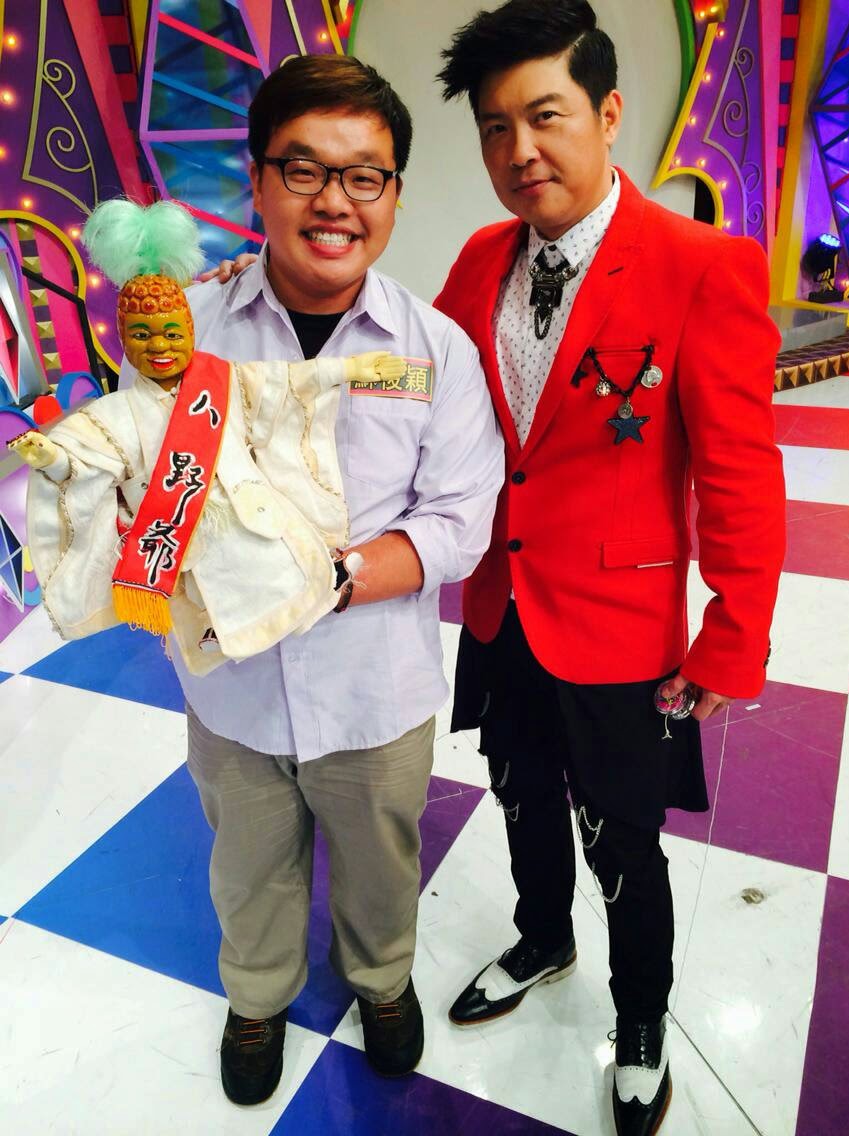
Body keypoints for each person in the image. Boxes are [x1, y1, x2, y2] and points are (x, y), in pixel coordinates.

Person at [121, 55, 503, 1106]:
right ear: (258, 181)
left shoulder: (435, 350)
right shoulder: (189, 332)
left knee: (382, 863)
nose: (335, 200)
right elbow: (142, 480)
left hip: (376, 690)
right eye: (304, 169)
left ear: (393, 195)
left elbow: (460, 519)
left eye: (363, 175)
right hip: (232, 689)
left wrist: (323, 578)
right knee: (247, 862)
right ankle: (257, 996)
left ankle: (382, 981)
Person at [434, 3, 785, 1134]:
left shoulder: (701, 266)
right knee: (519, 793)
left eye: (545, 116)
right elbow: (423, 402)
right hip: (502, 605)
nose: (519, 149)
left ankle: (641, 1018)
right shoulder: (478, 260)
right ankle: (543, 936)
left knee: (624, 836)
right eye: (496, 127)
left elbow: (740, 473)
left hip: (622, 622)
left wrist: (731, 635)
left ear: (609, 112)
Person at [11, 199, 406, 673]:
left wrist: (347, 368)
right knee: (212, 593)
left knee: (285, 565)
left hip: (248, 507)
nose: (159, 346)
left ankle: (326, 582)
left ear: (190, 331)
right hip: (183, 527)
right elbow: (88, 456)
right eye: (143, 335)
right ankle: (221, 632)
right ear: (124, 338)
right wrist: (52, 458)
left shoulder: (221, 378)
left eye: (171, 333)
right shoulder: (117, 412)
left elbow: (284, 382)